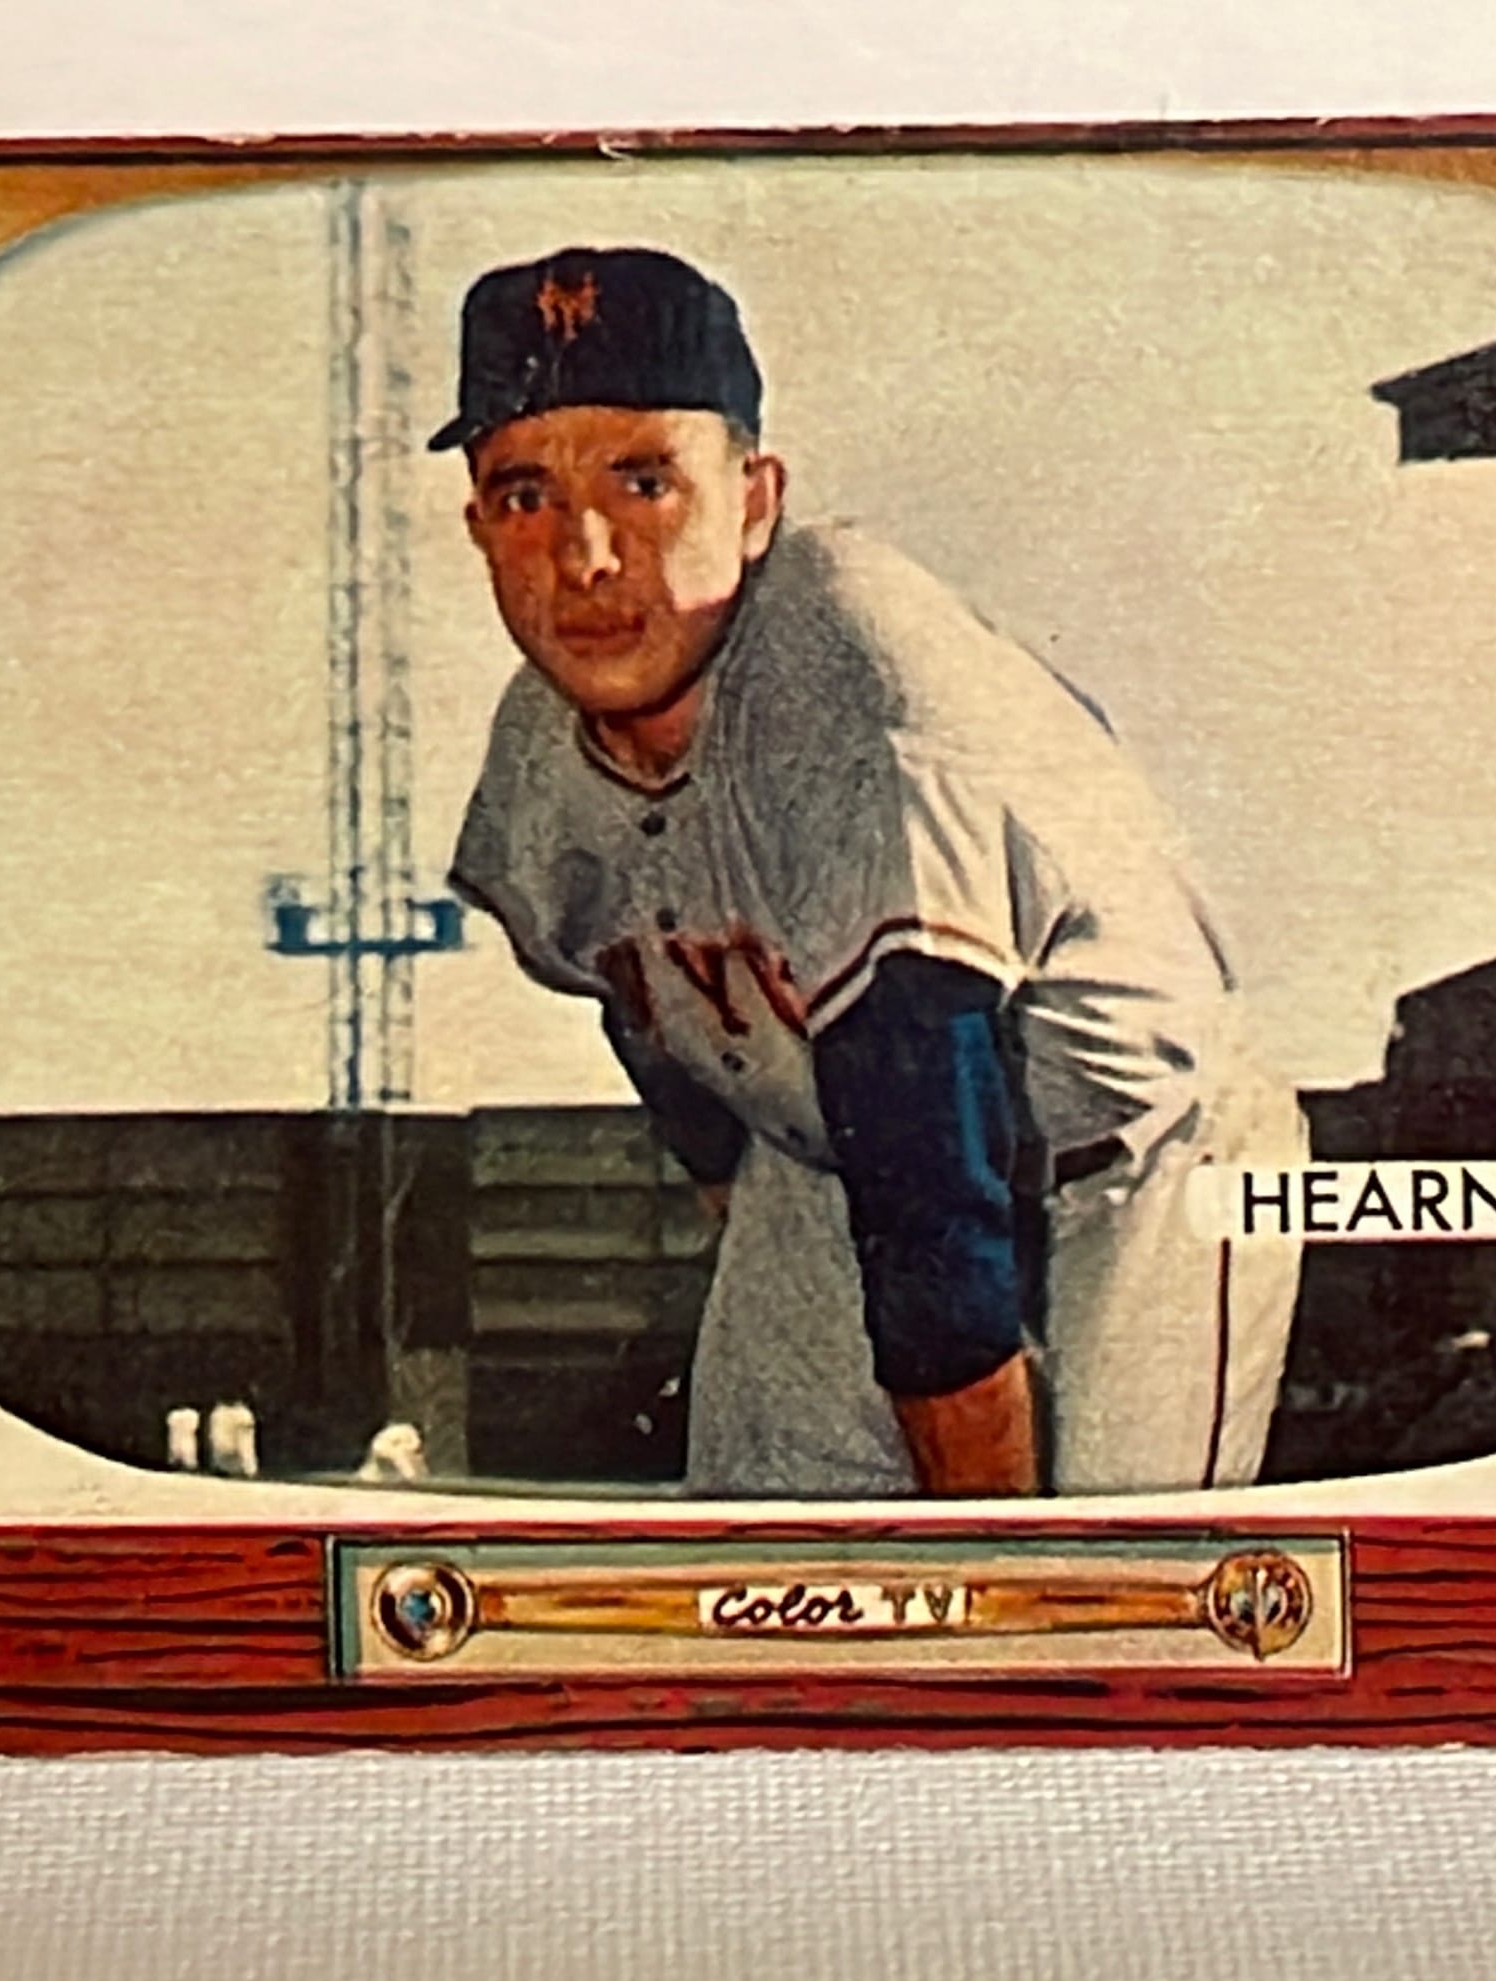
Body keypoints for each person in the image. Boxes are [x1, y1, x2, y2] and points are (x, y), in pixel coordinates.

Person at [437, 246, 1307, 1499]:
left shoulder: (855, 680)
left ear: (753, 500)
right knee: (762, 1565)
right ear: (477, 529)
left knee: (1088, 1585)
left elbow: (928, 1168)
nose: (584, 555)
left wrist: (989, 1565)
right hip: (835, 1164)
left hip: (1138, 1162)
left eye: (644, 480)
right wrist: (762, 1242)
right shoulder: (537, 757)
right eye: (524, 493)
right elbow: (647, 1022)